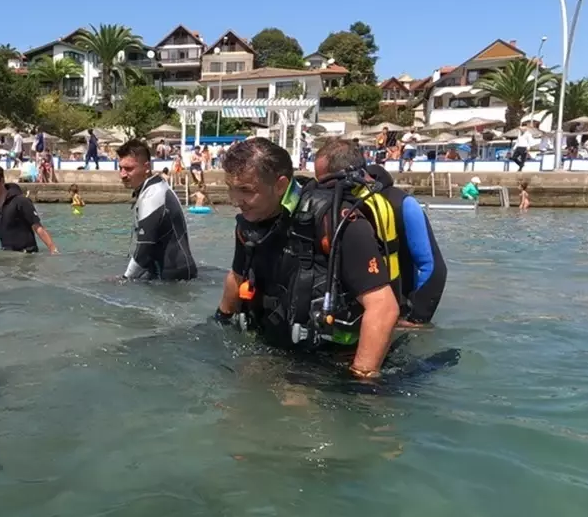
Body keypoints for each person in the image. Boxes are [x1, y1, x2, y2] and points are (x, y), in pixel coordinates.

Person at [213, 137, 401, 378]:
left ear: (280, 185)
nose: (235, 200)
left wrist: (362, 381)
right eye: (231, 188)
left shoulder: (333, 221)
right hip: (275, 352)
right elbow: (237, 276)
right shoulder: (249, 226)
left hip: (332, 364)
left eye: (246, 191)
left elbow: (383, 307)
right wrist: (219, 322)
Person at [365, 163, 448, 325]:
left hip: (399, 312)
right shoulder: (346, 203)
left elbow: (432, 266)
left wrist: (417, 317)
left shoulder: (402, 204)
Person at [116, 139, 198, 282]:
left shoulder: (153, 195)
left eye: (129, 169)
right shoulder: (152, 188)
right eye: (120, 168)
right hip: (165, 276)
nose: (122, 175)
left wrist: (124, 280)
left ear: (146, 167)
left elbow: (144, 248)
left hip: (175, 279)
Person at [0, 163, 59, 254]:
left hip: (27, 256)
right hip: (6, 256)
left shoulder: (21, 201)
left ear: (1, 181)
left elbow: (38, 227)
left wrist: (53, 250)